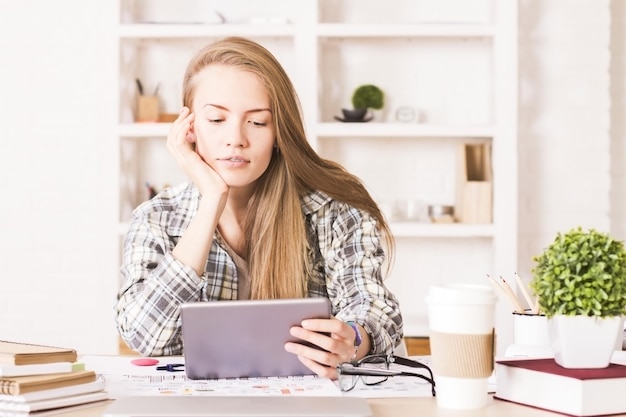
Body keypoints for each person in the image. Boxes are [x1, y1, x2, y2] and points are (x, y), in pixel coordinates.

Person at [115, 36, 403, 380]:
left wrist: (353, 338)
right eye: (217, 120)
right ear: (188, 128)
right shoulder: (157, 218)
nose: (236, 138)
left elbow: (374, 307)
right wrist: (211, 200)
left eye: (257, 122)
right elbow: (144, 336)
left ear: (279, 130)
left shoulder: (333, 211)